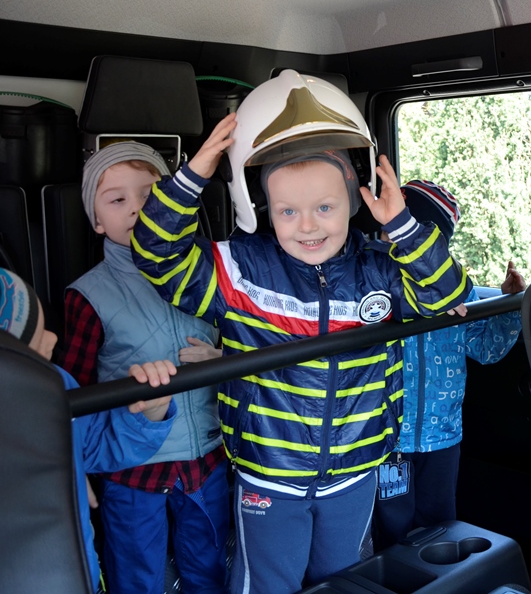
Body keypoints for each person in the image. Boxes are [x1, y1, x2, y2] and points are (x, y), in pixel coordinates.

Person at [130, 70, 471, 594]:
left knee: (343, 583)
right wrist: (193, 175)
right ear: (260, 206)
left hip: (357, 469)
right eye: (288, 211)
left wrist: (401, 226)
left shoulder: (379, 270)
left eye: (325, 208)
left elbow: (445, 295)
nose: (307, 226)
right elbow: (157, 254)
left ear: (354, 200)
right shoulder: (238, 271)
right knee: (268, 584)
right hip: (269, 473)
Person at [59, 141, 230, 594]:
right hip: (132, 470)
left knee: (210, 570)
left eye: (152, 196)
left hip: (208, 457)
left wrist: (223, 359)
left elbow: (246, 338)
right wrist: (73, 471)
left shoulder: (211, 272)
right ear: (97, 220)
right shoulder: (88, 295)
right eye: (117, 200)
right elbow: (72, 395)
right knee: (138, 578)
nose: (137, 209)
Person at [0, 267, 179, 594]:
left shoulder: (56, 386)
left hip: (78, 569)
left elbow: (100, 444)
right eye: (39, 340)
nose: (53, 338)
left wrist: (150, 412)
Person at [372, 180, 526, 549]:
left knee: (440, 526)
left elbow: (486, 348)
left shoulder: (457, 289)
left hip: (442, 433)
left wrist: (510, 306)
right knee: (390, 528)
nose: (393, 240)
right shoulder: (374, 278)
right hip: (387, 436)